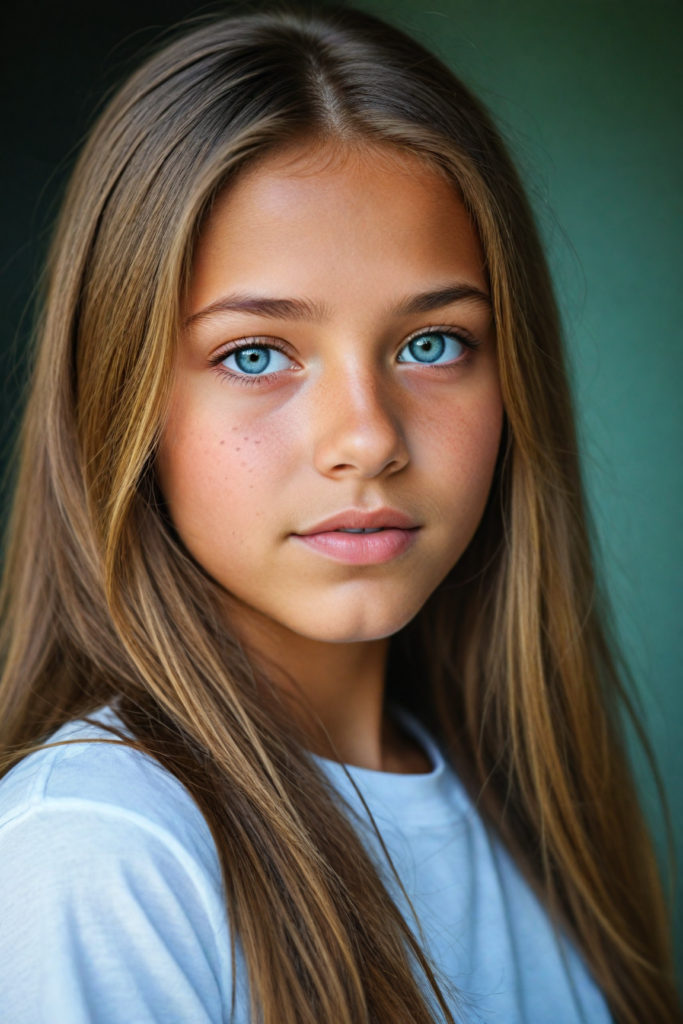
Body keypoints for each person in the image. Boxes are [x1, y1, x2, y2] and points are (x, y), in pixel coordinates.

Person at [0, 6, 678, 1023]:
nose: (365, 437)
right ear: (124, 400)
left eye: (431, 343)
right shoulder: (103, 852)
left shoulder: (529, 822)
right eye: (255, 354)